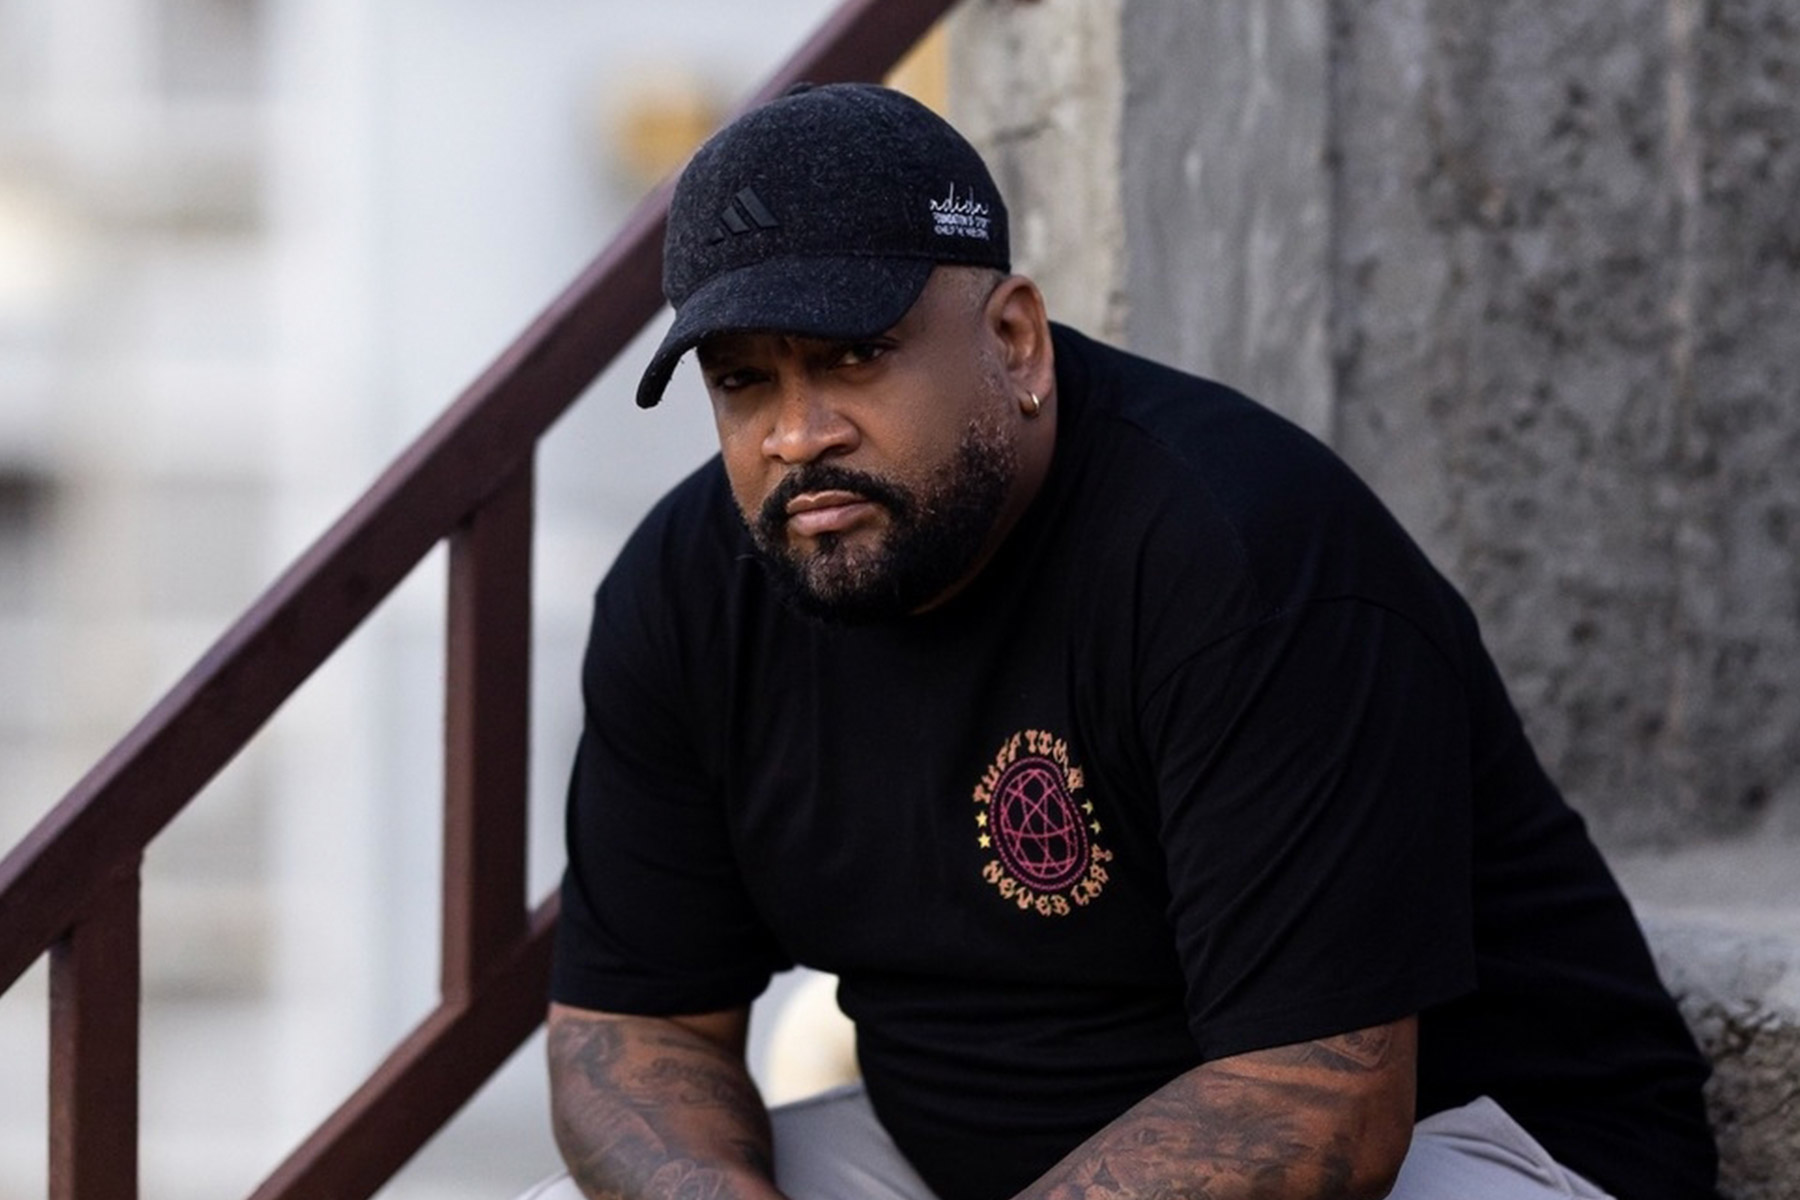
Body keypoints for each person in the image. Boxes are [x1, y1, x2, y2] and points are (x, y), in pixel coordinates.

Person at [542, 82, 1718, 1200]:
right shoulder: (691, 589)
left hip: (1465, 1145)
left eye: (856, 355)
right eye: (744, 381)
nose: (798, 435)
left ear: (1015, 340)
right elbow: (634, 1029)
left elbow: (1319, 1109)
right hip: (958, 1157)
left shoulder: (1239, 551)